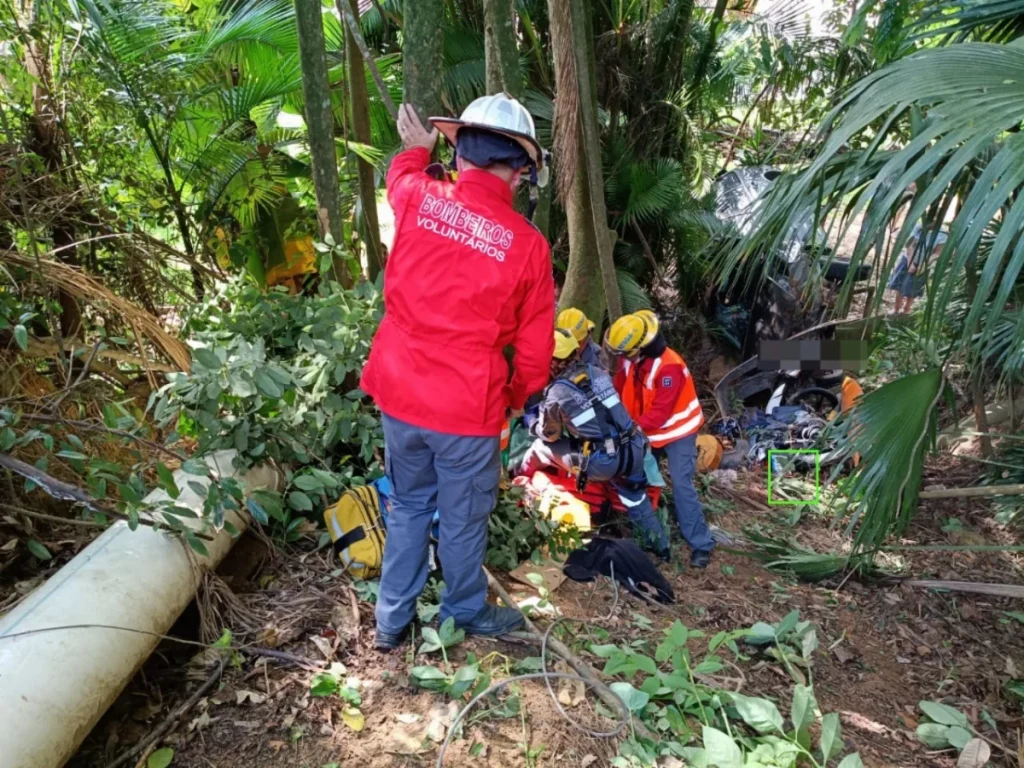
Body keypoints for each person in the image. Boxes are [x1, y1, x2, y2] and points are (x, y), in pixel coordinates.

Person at [361, 95, 555, 650]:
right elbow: (536, 352)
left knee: (408, 506)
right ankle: (465, 611)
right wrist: (516, 397)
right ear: (519, 173)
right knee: (463, 518)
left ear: (459, 152)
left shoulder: (420, 195)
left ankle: (390, 622)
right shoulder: (527, 247)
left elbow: (400, 177)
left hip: (399, 394)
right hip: (466, 409)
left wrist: (415, 150)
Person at [518, 329, 670, 554]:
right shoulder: (597, 372)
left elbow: (549, 434)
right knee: (635, 497)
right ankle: (660, 546)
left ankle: (519, 479)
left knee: (540, 447)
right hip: (634, 448)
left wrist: (530, 419)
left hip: (602, 462)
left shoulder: (556, 393)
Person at [607, 311, 714, 568]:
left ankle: (701, 544)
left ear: (643, 346)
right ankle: (652, 538)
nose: (624, 358)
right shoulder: (629, 359)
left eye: (627, 354)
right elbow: (618, 387)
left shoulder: (670, 367)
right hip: (646, 429)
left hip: (678, 431)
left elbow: (659, 413)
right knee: (632, 479)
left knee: (681, 483)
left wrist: (626, 433)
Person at [889, 222, 948, 314]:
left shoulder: (942, 234)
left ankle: (906, 310)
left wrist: (925, 264)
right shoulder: (917, 227)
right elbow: (909, 245)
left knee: (914, 287)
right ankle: (896, 309)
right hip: (908, 260)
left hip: (924, 263)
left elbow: (937, 252)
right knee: (900, 285)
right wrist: (911, 263)